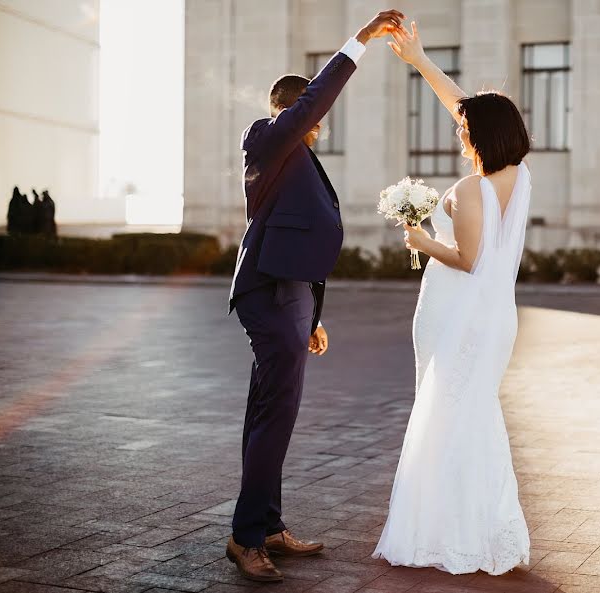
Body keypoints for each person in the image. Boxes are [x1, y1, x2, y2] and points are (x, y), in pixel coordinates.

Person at [225, 9, 406, 583]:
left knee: (270, 413)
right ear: (292, 112)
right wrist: (361, 41)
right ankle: (246, 536)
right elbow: (312, 101)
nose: (317, 124)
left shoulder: (299, 160)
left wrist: (313, 317)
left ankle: (267, 524)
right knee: (275, 415)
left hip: (291, 296)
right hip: (268, 291)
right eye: (309, 113)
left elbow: (304, 237)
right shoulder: (267, 137)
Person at [372, 22, 532, 575]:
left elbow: (467, 259)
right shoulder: (519, 177)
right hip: (496, 321)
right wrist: (419, 60)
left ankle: (443, 535)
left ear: (479, 136)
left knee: (445, 419)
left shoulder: (470, 189)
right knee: (473, 417)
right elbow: (466, 104)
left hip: (460, 317)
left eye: (465, 130)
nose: (458, 133)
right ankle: (485, 531)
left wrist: (421, 240)